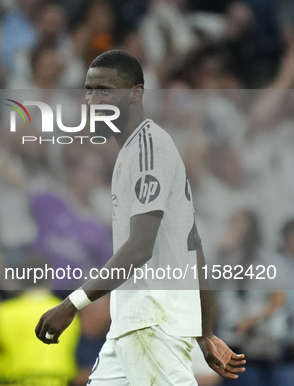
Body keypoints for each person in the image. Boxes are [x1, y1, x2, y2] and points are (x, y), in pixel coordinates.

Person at [35, 50, 246, 385]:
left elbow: (139, 248)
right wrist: (204, 333)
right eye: (89, 90)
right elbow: (193, 245)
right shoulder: (133, 152)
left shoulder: (149, 151)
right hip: (130, 325)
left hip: (152, 323)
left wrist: (71, 304)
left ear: (135, 93)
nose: (93, 99)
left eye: (105, 90)